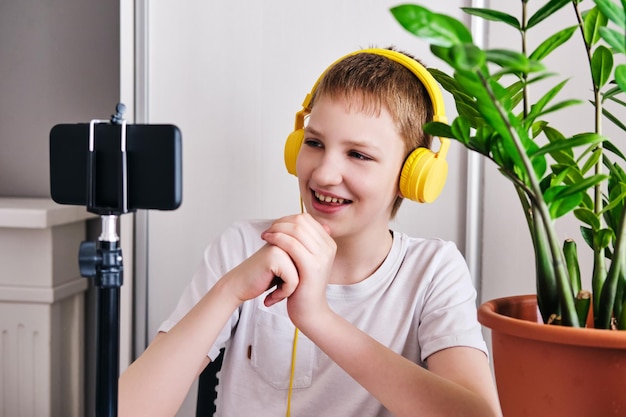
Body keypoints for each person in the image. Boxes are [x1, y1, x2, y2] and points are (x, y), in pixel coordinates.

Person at [119, 47, 503, 417]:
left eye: (359, 155)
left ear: (413, 175)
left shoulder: (432, 271)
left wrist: (318, 317)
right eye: (314, 143)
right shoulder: (243, 248)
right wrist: (229, 290)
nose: (322, 174)